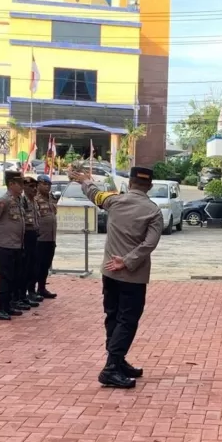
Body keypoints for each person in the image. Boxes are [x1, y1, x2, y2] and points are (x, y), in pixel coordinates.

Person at [68, 166, 164, 389]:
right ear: (149, 186)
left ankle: (117, 361)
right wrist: (128, 261)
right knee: (127, 320)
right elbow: (149, 243)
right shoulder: (153, 211)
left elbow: (94, 194)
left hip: (109, 273)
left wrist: (84, 180)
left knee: (113, 316)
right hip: (133, 276)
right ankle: (111, 368)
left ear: (129, 184)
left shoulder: (113, 201)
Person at [0, 171, 26, 321]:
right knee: (6, 277)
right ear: (11, 184)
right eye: (20, 183)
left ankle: (8, 305)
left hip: (16, 245)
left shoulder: (18, 200)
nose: (22, 186)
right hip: (5, 245)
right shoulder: (4, 200)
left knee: (14, 277)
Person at [19, 176, 42, 307]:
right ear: (24, 187)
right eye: (31, 187)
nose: (34, 189)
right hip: (26, 235)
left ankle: (31, 291)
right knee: (25, 267)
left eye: (35, 187)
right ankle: (22, 294)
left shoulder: (34, 201)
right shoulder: (23, 200)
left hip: (34, 234)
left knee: (34, 265)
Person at [34, 174, 58, 299]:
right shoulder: (35, 199)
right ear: (38, 185)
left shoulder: (52, 198)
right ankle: (31, 290)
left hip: (51, 238)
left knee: (46, 265)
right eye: (44, 184)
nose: (47, 187)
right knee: (36, 265)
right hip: (40, 238)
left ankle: (42, 288)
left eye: (49, 185)